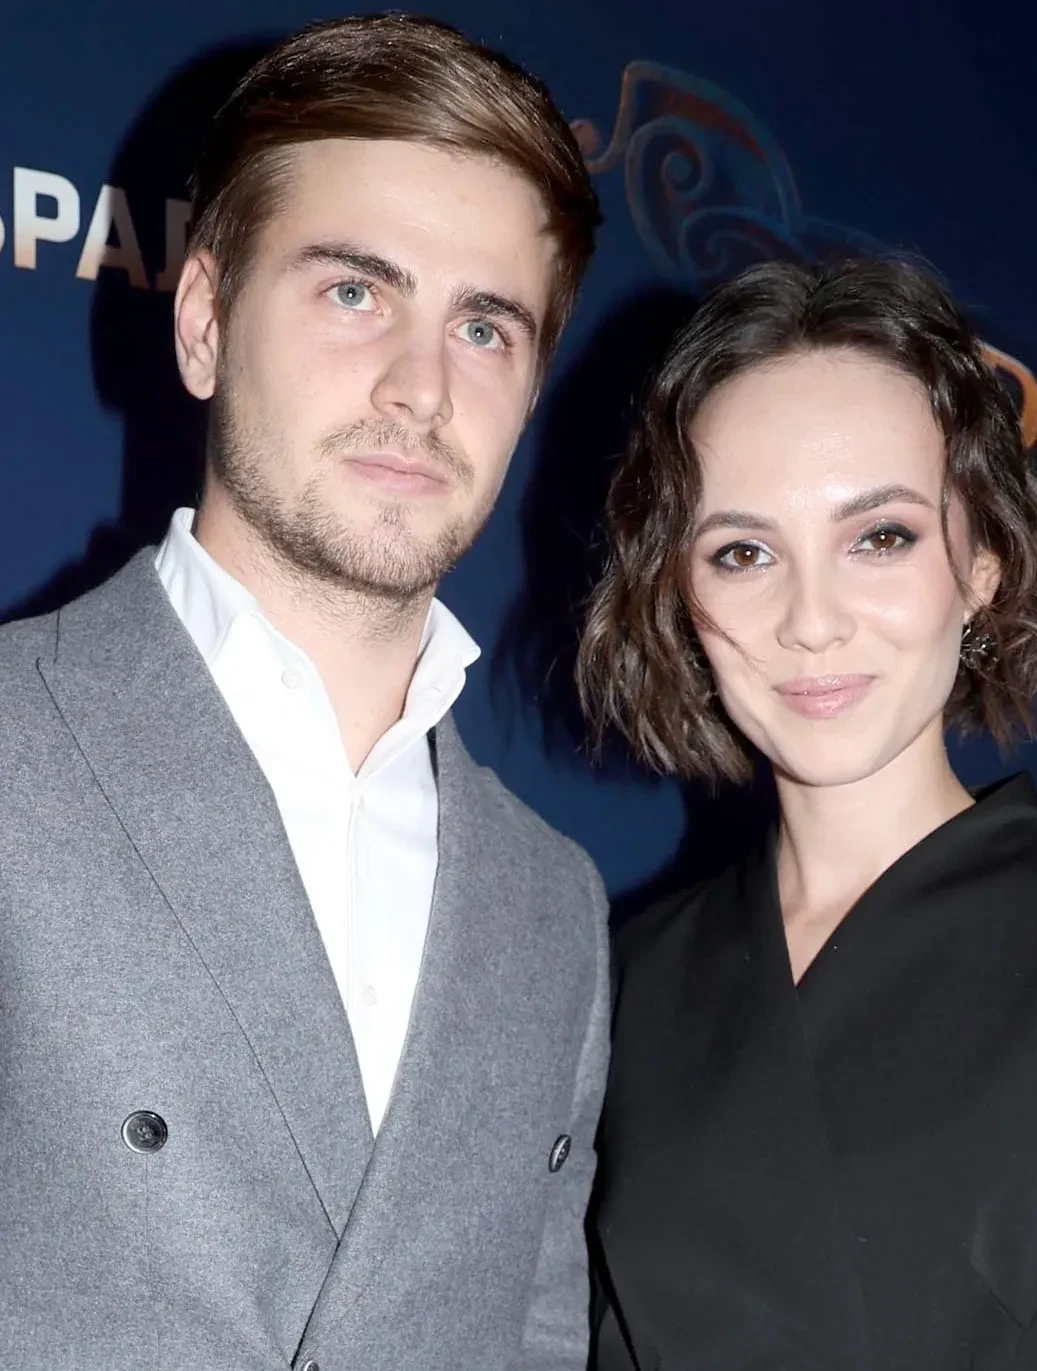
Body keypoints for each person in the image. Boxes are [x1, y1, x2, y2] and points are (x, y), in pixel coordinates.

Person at [0, 15, 608, 1370]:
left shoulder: (553, 900)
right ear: (204, 324)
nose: (419, 387)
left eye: (484, 327)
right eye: (354, 292)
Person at [577, 257, 1037, 1370]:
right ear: (680, 598)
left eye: (878, 537)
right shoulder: (621, 986)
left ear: (981, 563)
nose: (811, 619)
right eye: (743, 553)